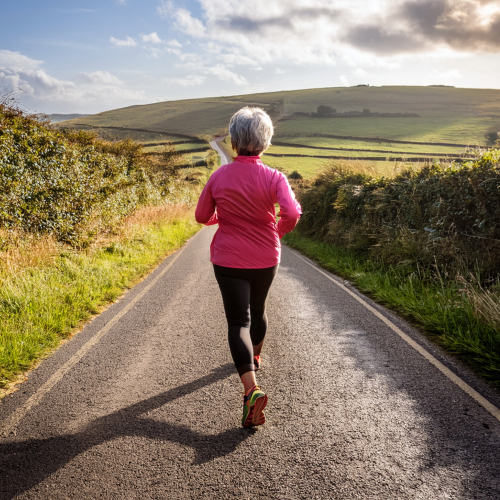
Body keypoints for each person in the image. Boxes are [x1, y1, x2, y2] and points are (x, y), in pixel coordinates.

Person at [195, 107, 302, 428]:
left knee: (237, 321)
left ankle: (251, 388)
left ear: (234, 139)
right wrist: (277, 230)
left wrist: (221, 218)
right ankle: (254, 358)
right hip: (266, 256)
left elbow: (202, 217)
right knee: (259, 309)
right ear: (265, 141)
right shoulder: (274, 177)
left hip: (228, 258)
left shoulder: (218, 176)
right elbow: (293, 214)